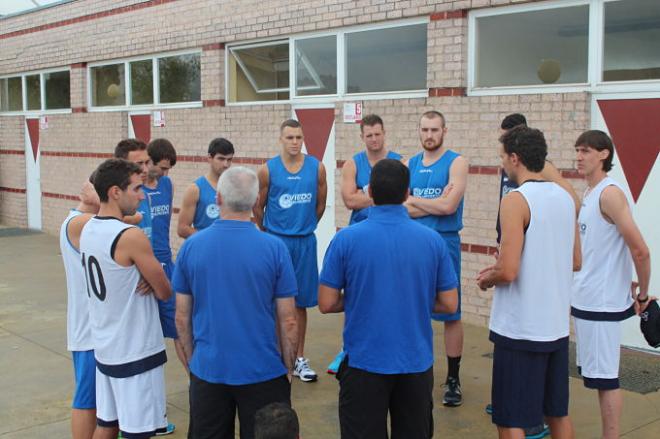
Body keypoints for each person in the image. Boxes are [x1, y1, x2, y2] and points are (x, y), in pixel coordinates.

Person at [319, 159, 459, 439]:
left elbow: (327, 302)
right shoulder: (433, 241)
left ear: (369, 193)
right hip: (415, 364)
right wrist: (411, 296)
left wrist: (363, 295)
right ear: (408, 192)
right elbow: (449, 304)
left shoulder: (345, 240)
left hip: (363, 364)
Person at [174, 166, 299, 439]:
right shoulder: (275, 248)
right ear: (256, 202)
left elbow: (181, 318)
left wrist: (195, 364)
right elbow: (288, 320)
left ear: (218, 199)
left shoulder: (191, 248)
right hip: (263, 370)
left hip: (209, 370)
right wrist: (288, 367)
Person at [477, 126, 581, 439]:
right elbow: (576, 261)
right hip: (556, 328)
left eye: (503, 158)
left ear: (515, 157)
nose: (502, 164)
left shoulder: (515, 201)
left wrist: (487, 278)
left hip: (520, 329)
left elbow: (508, 271)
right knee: (557, 414)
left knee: (510, 420)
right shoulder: (566, 198)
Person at [79, 158, 172, 438]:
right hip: (135, 348)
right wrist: (149, 277)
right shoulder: (130, 236)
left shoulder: (87, 229)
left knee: (107, 425)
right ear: (115, 192)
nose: (142, 195)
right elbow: (165, 291)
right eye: (136, 189)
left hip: (106, 346)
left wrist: (142, 276)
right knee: (138, 432)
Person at [573, 130, 652, 439]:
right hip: (588, 300)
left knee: (606, 380)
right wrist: (626, 279)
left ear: (604, 154)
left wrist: (643, 295)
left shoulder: (609, 193)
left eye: (585, 151)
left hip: (600, 304)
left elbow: (640, 250)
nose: (579, 156)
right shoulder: (591, 193)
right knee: (597, 379)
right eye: (577, 150)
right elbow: (603, 248)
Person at [254, 119, 328, 383]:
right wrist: (270, 235)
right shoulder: (268, 170)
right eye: (290, 138)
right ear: (281, 139)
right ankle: (276, 357)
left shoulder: (317, 168)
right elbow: (257, 207)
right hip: (277, 241)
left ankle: (298, 358)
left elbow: (320, 206)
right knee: (275, 301)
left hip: (305, 242)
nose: (295, 142)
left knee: (300, 303)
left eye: (299, 137)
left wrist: (302, 226)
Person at [404, 110, 468, 406]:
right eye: (425, 130)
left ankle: (453, 378)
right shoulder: (409, 164)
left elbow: (450, 207)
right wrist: (435, 202)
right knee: (412, 304)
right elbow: (402, 207)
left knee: (450, 311)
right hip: (414, 244)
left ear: (445, 130)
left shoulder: (457, 162)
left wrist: (417, 201)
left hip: (445, 243)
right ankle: (413, 369)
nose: (429, 135)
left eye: (434, 130)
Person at [496, 113, 580, 243]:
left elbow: (574, 202)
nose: (502, 142)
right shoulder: (509, 164)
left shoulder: (543, 166)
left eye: (505, 137)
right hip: (507, 238)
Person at [60, 173, 100, 439]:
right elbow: (125, 223)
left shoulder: (85, 221)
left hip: (94, 329)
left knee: (96, 401)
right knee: (86, 400)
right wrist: (100, 199)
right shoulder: (79, 222)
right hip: (88, 332)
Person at [144, 138, 188, 370]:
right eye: (161, 167)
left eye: (169, 168)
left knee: (179, 324)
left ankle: (196, 380)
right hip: (142, 265)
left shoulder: (167, 184)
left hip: (165, 262)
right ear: (147, 161)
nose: (165, 172)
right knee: (146, 330)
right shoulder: (135, 190)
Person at [341, 114, 401, 225]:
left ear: (384, 133)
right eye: (369, 136)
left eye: (377, 134)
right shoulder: (352, 164)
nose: (374, 139)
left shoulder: (400, 163)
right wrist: (389, 199)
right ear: (362, 137)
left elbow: (405, 200)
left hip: (390, 225)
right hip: (360, 228)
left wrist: (362, 195)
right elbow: (349, 201)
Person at [177, 138, 234, 238]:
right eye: (221, 159)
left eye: (229, 159)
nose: (226, 164)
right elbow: (182, 229)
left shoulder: (234, 186)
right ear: (209, 158)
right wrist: (209, 240)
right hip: (205, 250)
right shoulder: (195, 189)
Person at [114, 139, 153, 238]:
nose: (145, 169)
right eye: (138, 164)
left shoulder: (146, 196)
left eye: (147, 162)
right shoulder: (112, 200)